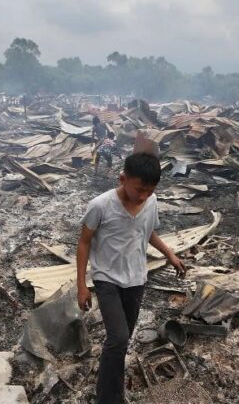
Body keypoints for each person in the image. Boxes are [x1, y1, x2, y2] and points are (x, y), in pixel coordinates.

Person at [76, 153, 185, 404]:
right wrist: (82, 285)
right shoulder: (100, 205)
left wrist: (169, 253)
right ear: (123, 178)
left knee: (121, 341)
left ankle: (116, 391)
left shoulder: (151, 201)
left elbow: (147, 233)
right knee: (118, 337)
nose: (143, 196)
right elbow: (83, 243)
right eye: (139, 189)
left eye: (150, 190)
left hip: (136, 278)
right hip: (107, 279)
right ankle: (106, 397)